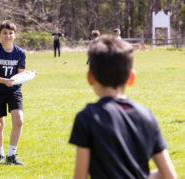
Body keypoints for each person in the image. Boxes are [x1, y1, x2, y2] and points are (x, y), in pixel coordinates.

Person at [69, 35, 177, 179]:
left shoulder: (87, 118)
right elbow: (169, 175)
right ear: (131, 78)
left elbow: (80, 176)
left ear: (90, 78)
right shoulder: (146, 116)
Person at [0, 20, 33, 165]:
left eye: (10, 33)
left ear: (15, 35)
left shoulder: (20, 53)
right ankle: (0, 154)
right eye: (4, 33)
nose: (7, 36)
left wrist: (29, 74)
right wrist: (5, 80)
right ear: (0, 35)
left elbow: (20, 75)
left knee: (19, 121)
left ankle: (11, 155)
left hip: (14, 91)